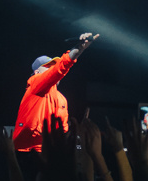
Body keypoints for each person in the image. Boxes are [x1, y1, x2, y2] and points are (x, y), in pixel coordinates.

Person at [11, 33, 98, 161]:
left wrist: (78, 139)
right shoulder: (35, 83)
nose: (52, 68)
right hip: (26, 152)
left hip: (49, 153)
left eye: (54, 65)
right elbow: (59, 69)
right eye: (48, 66)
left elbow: (63, 131)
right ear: (36, 72)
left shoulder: (61, 99)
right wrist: (79, 48)